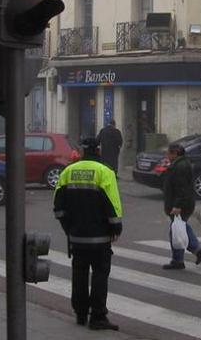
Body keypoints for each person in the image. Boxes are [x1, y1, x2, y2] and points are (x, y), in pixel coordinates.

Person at [53, 137, 123, 331]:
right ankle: (98, 317)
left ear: (82, 152)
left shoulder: (68, 172)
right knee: (100, 275)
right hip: (100, 238)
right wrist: (116, 229)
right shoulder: (104, 172)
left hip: (76, 237)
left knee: (79, 274)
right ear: (98, 151)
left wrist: (69, 227)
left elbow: (58, 207)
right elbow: (113, 205)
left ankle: (81, 313)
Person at [161, 143, 201, 270]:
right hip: (184, 203)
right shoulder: (180, 164)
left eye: (169, 153)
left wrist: (177, 205)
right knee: (180, 228)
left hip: (181, 204)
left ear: (175, 153)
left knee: (177, 231)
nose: (167, 155)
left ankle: (184, 257)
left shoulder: (180, 166)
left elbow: (182, 189)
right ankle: (192, 253)